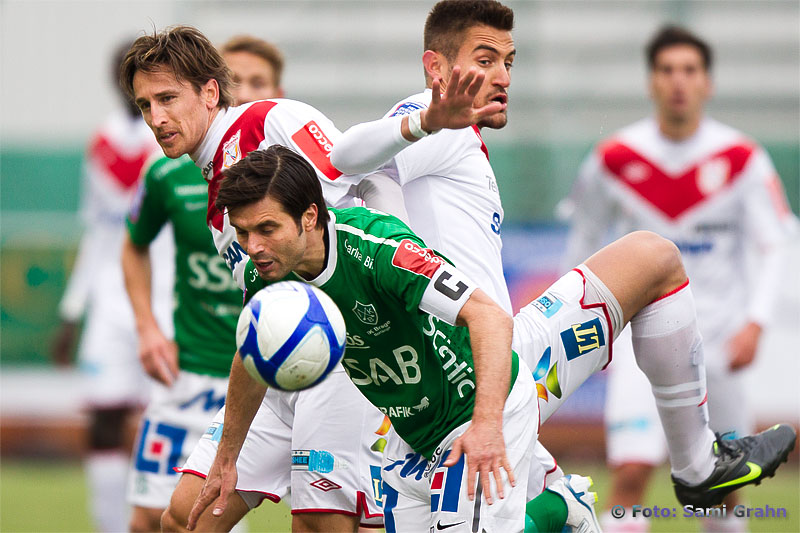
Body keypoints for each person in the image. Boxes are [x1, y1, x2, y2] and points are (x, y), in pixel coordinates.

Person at [329, 0, 796, 526]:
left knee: (654, 258)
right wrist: (428, 119)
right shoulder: (432, 123)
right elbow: (344, 157)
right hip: (463, 376)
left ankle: (693, 468)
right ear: (435, 68)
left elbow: (364, 181)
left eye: (509, 61)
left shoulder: (444, 137)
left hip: (496, 359)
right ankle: (661, 476)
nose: (502, 76)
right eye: (484, 60)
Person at [119, 26, 395, 532]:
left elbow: (371, 181)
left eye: (167, 98)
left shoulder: (271, 120)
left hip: (340, 364)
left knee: (318, 525)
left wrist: (388, 295)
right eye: (144, 105)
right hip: (273, 368)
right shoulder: (211, 187)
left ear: (209, 91)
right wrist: (228, 451)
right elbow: (262, 307)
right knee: (185, 516)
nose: (156, 119)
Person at [558, 26, 797, 533]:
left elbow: (773, 245)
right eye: (666, 71)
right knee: (630, 474)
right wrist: (581, 328)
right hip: (644, 341)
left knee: (720, 489)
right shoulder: (614, 159)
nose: (678, 82)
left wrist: (756, 323)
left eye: (689, 70)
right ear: (651, 82)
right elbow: (582, 244)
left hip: (721, 344)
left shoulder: (741, 160)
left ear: (707, 82)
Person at [122, 34, 286, 532]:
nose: (155, 117)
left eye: (259, 84)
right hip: (194, 373)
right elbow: (133, 245)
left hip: (280, 373)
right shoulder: (170, 175)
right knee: (157, 518)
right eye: (145, 105)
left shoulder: (288, 173)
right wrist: (148, 327)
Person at [52, 40, 173, 532]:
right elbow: (99, 230)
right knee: (104, 417)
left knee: (169, 419)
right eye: (127, 74)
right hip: (109, 303)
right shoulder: (100, 144)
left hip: (168, 297)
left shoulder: (172, 137)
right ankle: (108, 525)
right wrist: (72, 308)